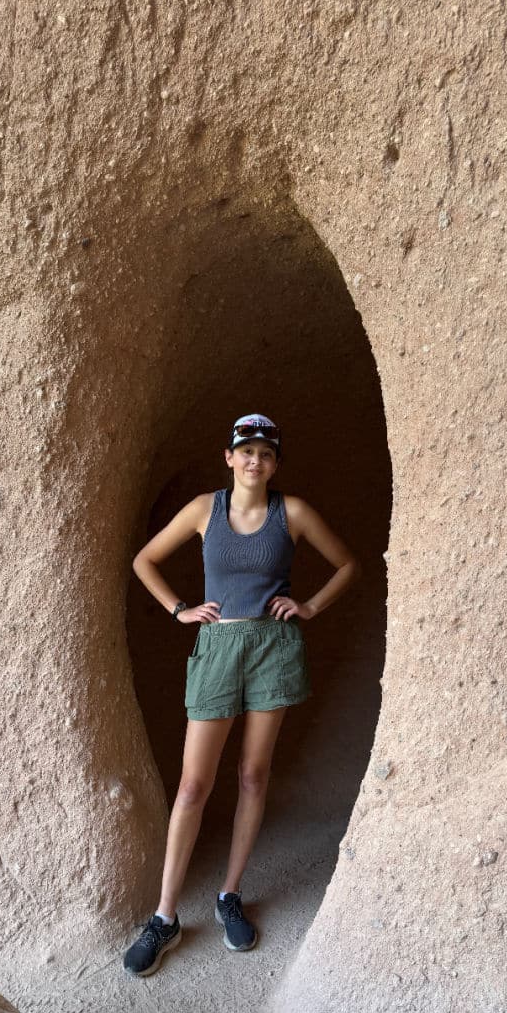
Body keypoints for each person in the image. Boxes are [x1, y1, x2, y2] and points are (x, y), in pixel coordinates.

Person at [122, 413, 361, 976]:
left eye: (267, 453)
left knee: (254, 775)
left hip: (272, 649)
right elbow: (144, 560)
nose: (256, 460)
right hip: (219, 648)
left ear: (275, 463)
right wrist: (179, 609)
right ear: (229, 457)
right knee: (191, 785)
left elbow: (348, 564)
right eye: (246, 450)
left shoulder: (292, 513)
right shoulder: (205, 510)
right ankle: (164, 916)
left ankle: (229, 895)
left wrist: (309, 606)